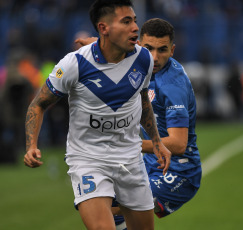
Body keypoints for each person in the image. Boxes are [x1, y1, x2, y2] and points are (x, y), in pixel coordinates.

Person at [23, 1, 171, 230]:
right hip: (88, 159)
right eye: (126, 21)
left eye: (134, 20)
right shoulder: (75, 64)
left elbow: (142, 102)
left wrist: (157, 142)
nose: (135, 27)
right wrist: (31, 145)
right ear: (103, 28)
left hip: (130, 158)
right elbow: (38, 104)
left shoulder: (143, 59)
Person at [76, 18, 202, 230]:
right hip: (146, 163)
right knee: (110, 215)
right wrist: (97, 45)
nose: (155, 57)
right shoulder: (138, 59)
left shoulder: (173, 86)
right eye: (148, 48)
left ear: (172, 50)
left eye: (162, 50)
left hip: (179, 170)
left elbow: (179, 144)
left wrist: (127, 144)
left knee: (104, 203)